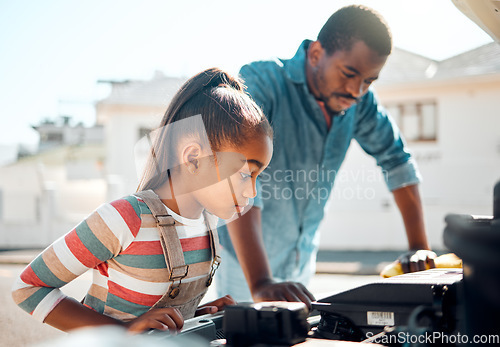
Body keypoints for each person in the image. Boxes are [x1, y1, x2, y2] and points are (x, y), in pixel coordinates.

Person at [12, 68, 273, 333]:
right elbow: (28, 289)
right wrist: (123, 331)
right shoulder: (124, 219)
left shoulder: (208, 223)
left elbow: (154, 315)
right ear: (193, 158)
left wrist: (196, 316)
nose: (252, 192)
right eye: (243, 174)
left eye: (257, 177)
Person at [215, 5, 436, 306]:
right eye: (349, 74)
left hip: (301, 260)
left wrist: (419, 248)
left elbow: (397, 160)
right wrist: (261, 281)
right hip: (245, 265)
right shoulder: (261, 82)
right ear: (317, 53)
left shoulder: (361, 103)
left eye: (369, 81)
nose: (357, 91)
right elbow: (235, 170)